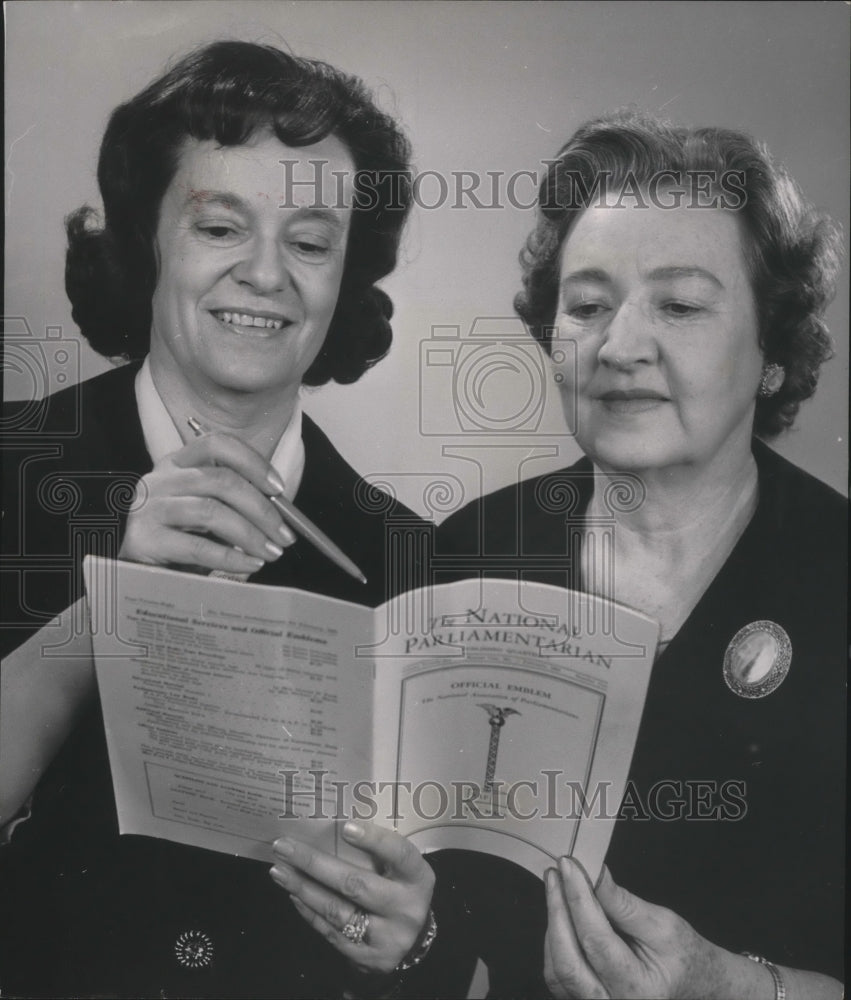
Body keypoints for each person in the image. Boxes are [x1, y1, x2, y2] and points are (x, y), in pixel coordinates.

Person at [0, 41, 474, 998]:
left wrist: (415, 945)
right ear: (146, 241)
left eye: (308, 241)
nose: (266, 275)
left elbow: (446, 939)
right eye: (221, 227)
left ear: (346, 275)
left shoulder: (410, 562)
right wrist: (112, 607)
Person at [437, 110, 845, 998]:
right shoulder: (469, 553)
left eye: (680, 304)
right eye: (585, 307)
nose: (619, 347)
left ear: (773, 351)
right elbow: (434, 908)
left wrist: (729, 989)